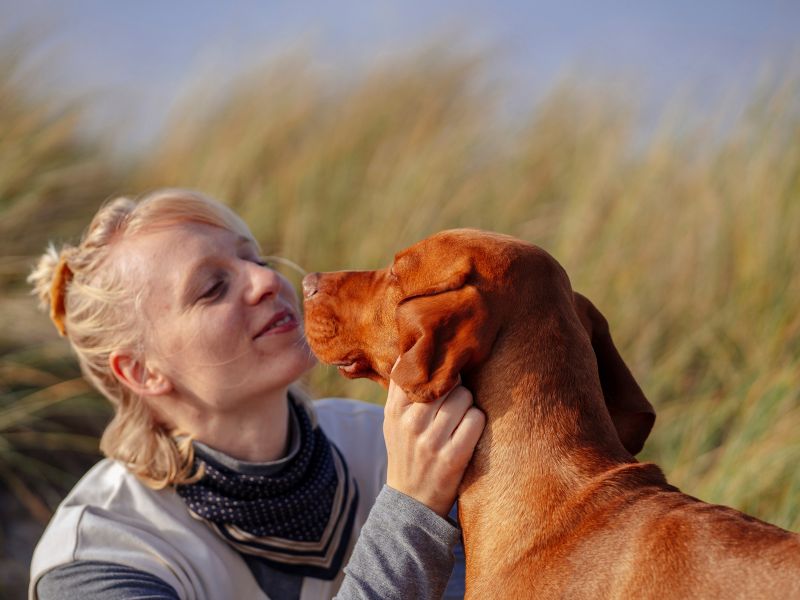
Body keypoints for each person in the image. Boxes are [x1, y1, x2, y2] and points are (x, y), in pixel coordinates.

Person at [27, 188, 485, 599]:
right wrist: (412, 511)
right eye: (212, 288)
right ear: (142, 372)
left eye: (256, 260)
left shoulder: (390, 445)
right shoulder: (97, 556)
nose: (267, 282)